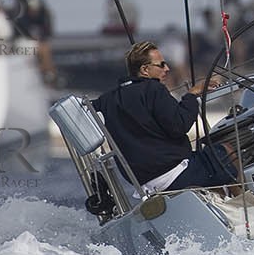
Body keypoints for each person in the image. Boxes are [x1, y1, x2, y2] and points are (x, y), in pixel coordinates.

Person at [94, 40, 237, 194]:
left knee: (209, 164)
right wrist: (191, 95)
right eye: (161, 65)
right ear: (145, 70)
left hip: (144, 183)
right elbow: (179, 126)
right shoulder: (153, 89)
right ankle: (246, 204)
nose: (167, 69)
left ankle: (223, 203)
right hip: (172, 174)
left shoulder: (107, 99)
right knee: (226, 151)